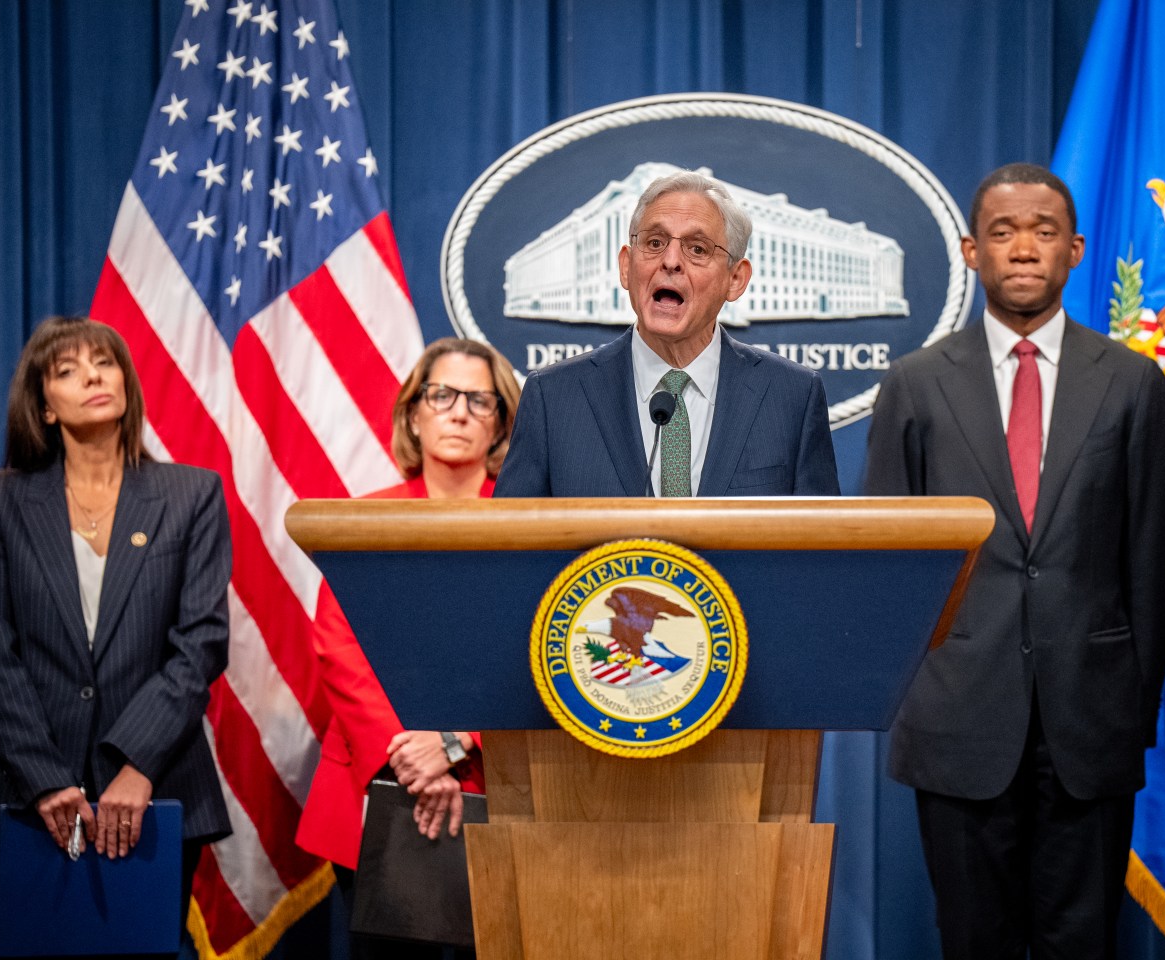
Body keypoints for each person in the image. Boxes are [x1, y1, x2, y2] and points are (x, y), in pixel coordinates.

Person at [864, 163, 1165, 959]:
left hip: (1091, 723)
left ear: (1075, 249)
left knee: (1082, 940)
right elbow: (887, 567)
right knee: (975, 941)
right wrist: (916, 702)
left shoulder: (1135, 385)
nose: (1024, 248)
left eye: (1043, 231)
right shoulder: (916, 384)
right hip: (958, 721)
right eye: (1003, 232)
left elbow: (1148, 567)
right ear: (972, 252)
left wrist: (1128, 713)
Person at [0, 316, 231, 956]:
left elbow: (200, 643)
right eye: (67, 370)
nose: (93, 375)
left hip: (158, 787)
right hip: (23, 793)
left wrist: (138, 764)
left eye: (104, 362)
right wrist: (44, 778)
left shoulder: (191, 494)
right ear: (43, 405)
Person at [295, 337, 520, 958]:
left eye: (479, 400)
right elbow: (341, 649)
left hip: (503, 788)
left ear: (502, 421)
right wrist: (413, 758)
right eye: (441, 395)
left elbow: (540, 654)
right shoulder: (363, 523)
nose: (458, 412)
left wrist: (454, 742)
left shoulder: (533, 524)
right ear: (413, 415)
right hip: (379, 785)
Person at [494, 170, 840, 498]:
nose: (671, 261)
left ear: (735, 279)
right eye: (655, 242)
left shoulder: (792, 396)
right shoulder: (554, 398)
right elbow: (510, 549)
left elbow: (821, 550)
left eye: (697, 249)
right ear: (627, 267)